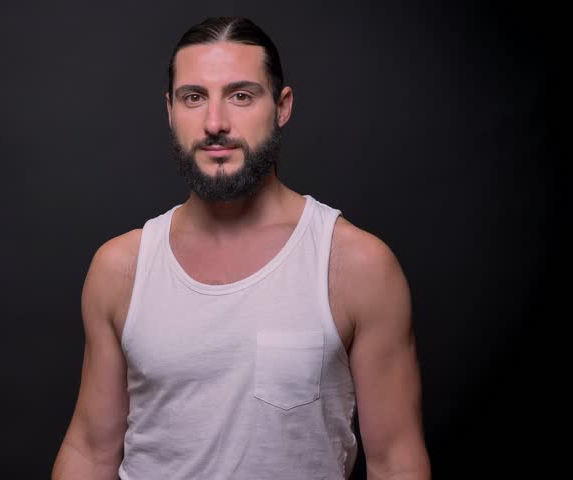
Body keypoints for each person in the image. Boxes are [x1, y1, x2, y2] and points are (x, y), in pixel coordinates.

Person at [52, 16, 431, 480]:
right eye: (194, 97)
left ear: (282, 106)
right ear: (170, 110)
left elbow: (396, 461)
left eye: (241, 95)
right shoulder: (122, 267)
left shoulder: (354, 265)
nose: (215, 122)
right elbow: (90, 451)